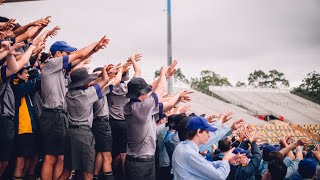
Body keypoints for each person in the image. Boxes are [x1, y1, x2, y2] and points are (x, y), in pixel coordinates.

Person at [39, 36, 109, 180]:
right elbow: (80, 55)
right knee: (50, 157)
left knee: (60, 158)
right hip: (52, 115)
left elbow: (79, 59)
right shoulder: (52, 63)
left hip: (60, 116)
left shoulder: (60, 70)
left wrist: (95, 50)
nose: (69, 56)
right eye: (66, 53)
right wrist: (95, 43)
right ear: (58, 54)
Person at [123, 64, 188, 180]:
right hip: (140, 163)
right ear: (141, 94)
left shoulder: (132, 106)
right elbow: (159, 91)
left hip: (139, 161)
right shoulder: (142, 108)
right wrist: (163, 74)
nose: (147, 93)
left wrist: (177, 97)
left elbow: (168, 105)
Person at [57, 65, 110, 180]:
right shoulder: (87, 94)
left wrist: (98, 75)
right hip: (84, 135)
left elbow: (93, 84)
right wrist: (104, 71)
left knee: (66, 171)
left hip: (70, 133)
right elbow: (106, 81)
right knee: (87, 172)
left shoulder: (69, 94)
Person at [0, 41, 36, 178]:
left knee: (4, 162)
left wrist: (9, 53)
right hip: (4, 120)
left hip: (6, 122)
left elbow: (16, 66)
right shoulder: (16, 85)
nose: (27, 75)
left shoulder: (5, 75)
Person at [171, 116, 243, 180]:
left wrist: (226, 161)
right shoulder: (189, 153)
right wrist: (225, 159)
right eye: (207, 132)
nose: (209, 136)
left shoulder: (183, 146)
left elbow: (205, 164)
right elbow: (220, 176)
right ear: (199, 132)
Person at [92, 65, 123, 180]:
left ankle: (95, 176)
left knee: (100, 152)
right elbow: (117, 80)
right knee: (107, 157)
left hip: (97, 124)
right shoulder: (99, 89)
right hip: (101, 124)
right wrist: (121, 70)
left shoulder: (93, 89)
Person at [11, 67, 41, 180]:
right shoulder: (18, 87)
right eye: (25, 73)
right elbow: (37, 80)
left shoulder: (26, 89)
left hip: (30, 129)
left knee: (28, 159)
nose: (27, 75)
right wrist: (47, 69)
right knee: (20, 161)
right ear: (18, 75)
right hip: (22, 129)